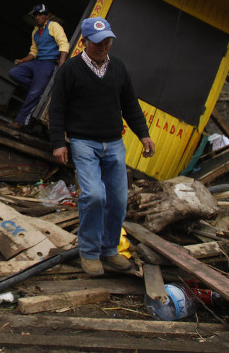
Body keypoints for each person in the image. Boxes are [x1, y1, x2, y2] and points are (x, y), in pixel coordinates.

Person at [48, 16, 156, 276]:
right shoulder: (70, 70)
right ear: (84, 42)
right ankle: (89, 252)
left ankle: (109, 250)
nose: (103, 46)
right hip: (84, 142)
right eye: (97, 42)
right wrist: (57, 143)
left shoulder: (118, 67)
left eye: (107, 41)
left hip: (114, 143)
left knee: (118, 199)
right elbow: (57, 108)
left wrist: (143, 134)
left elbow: (130, 104)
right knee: (94, 196)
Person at [8, 4, 69, 129]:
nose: (38, 17)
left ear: (46, 16)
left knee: (33, 93)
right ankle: (38, 91)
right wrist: (23, 60)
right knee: (14, 73)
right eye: (36, 14)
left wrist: (62, 64)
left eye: (41, 14)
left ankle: (20, 122)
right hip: (38, 62)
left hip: (48, 63)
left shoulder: (53, 26)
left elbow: (64, 45)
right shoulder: (35, 31)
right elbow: (34, 51)